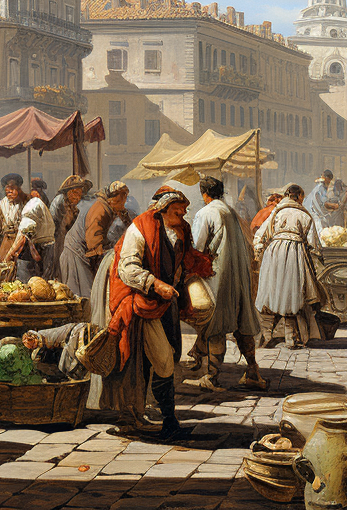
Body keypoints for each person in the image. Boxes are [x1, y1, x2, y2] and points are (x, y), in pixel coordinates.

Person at [94, 188, 211, 439]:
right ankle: (148, 420)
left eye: (183, 208)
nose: (183, 212)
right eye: (177, 209)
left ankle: (156, 418)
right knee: (153, 359)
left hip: (165, 301)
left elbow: (183, 259)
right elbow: (127, 267)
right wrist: (155, 284)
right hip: (138, 299)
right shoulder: (140, 227)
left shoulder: (181, 229)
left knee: (170, 355)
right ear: (163, 209)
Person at [188, 176, 265, 390]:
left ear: (204, 194)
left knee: (217, 322)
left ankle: (212, 377)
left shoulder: (206, 212)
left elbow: (198, 246)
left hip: (218, 272)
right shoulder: (230, 211)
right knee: (243, 320)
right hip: (239, 273)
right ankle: (252, 371)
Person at [254, 183, 326, 349]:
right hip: (295, 253)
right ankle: (290, 338)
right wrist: (317, 258)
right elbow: (314, 243)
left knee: (273, 291)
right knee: (291, 294)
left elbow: (260, 235)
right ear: (299, 197)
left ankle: (266, 336)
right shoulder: (305, 215)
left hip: (273, 253)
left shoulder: (276, 212)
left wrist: (259, 252)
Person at [65, 181, 129, 299]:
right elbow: (93, 235)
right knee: (86, 292)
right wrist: (101, 252)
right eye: (120, 200)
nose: (123, 203)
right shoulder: (101, 209)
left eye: (124, 199)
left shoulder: (108, 206)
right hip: (76, 251)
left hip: (83, 250)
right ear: (112, 199)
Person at [2, 177, 56, 282]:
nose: (10, 196)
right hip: (43, 248)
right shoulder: (31, 204)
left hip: (40, 250)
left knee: (34, 283)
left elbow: (23, 234)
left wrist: (7, 257)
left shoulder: (33, 204)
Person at [20, 322, 101, 381]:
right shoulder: (40, 337)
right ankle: (80, 376)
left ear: (34, 338)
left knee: (64, 365)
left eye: (33, 344)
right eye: (31, 347)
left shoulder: (41, 336)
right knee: (66, 362)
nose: (34, 347)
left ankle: (80, 377)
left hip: (75, 332)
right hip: (70, 337)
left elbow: (45, 344)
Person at [51, 175, 91, 280]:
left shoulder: (78, 207)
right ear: (68, 192)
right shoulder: (59, 202)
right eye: (75, 193)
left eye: (80, 193)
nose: (78, 197)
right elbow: (52, 224)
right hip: (57, 240)